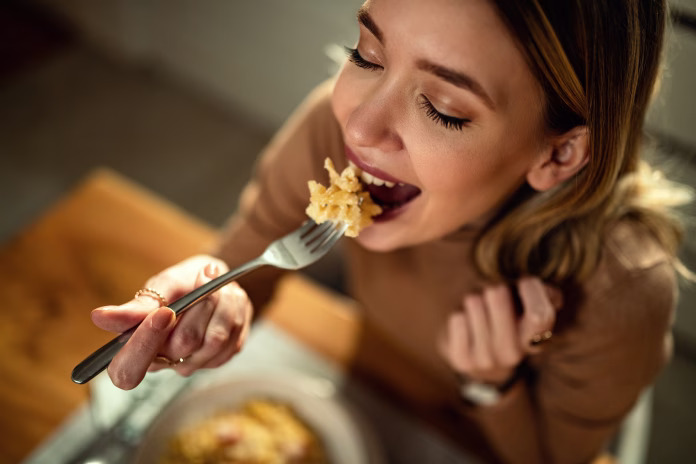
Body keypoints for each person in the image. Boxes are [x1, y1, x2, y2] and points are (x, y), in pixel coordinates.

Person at [90, 0, 693, 462]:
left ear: (559, 155)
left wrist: (495, 387)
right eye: (366, 56)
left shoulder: (623, 286)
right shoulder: (332, 133)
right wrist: (210, 299)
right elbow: (249, 266)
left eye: (444, 109)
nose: (361, 128)